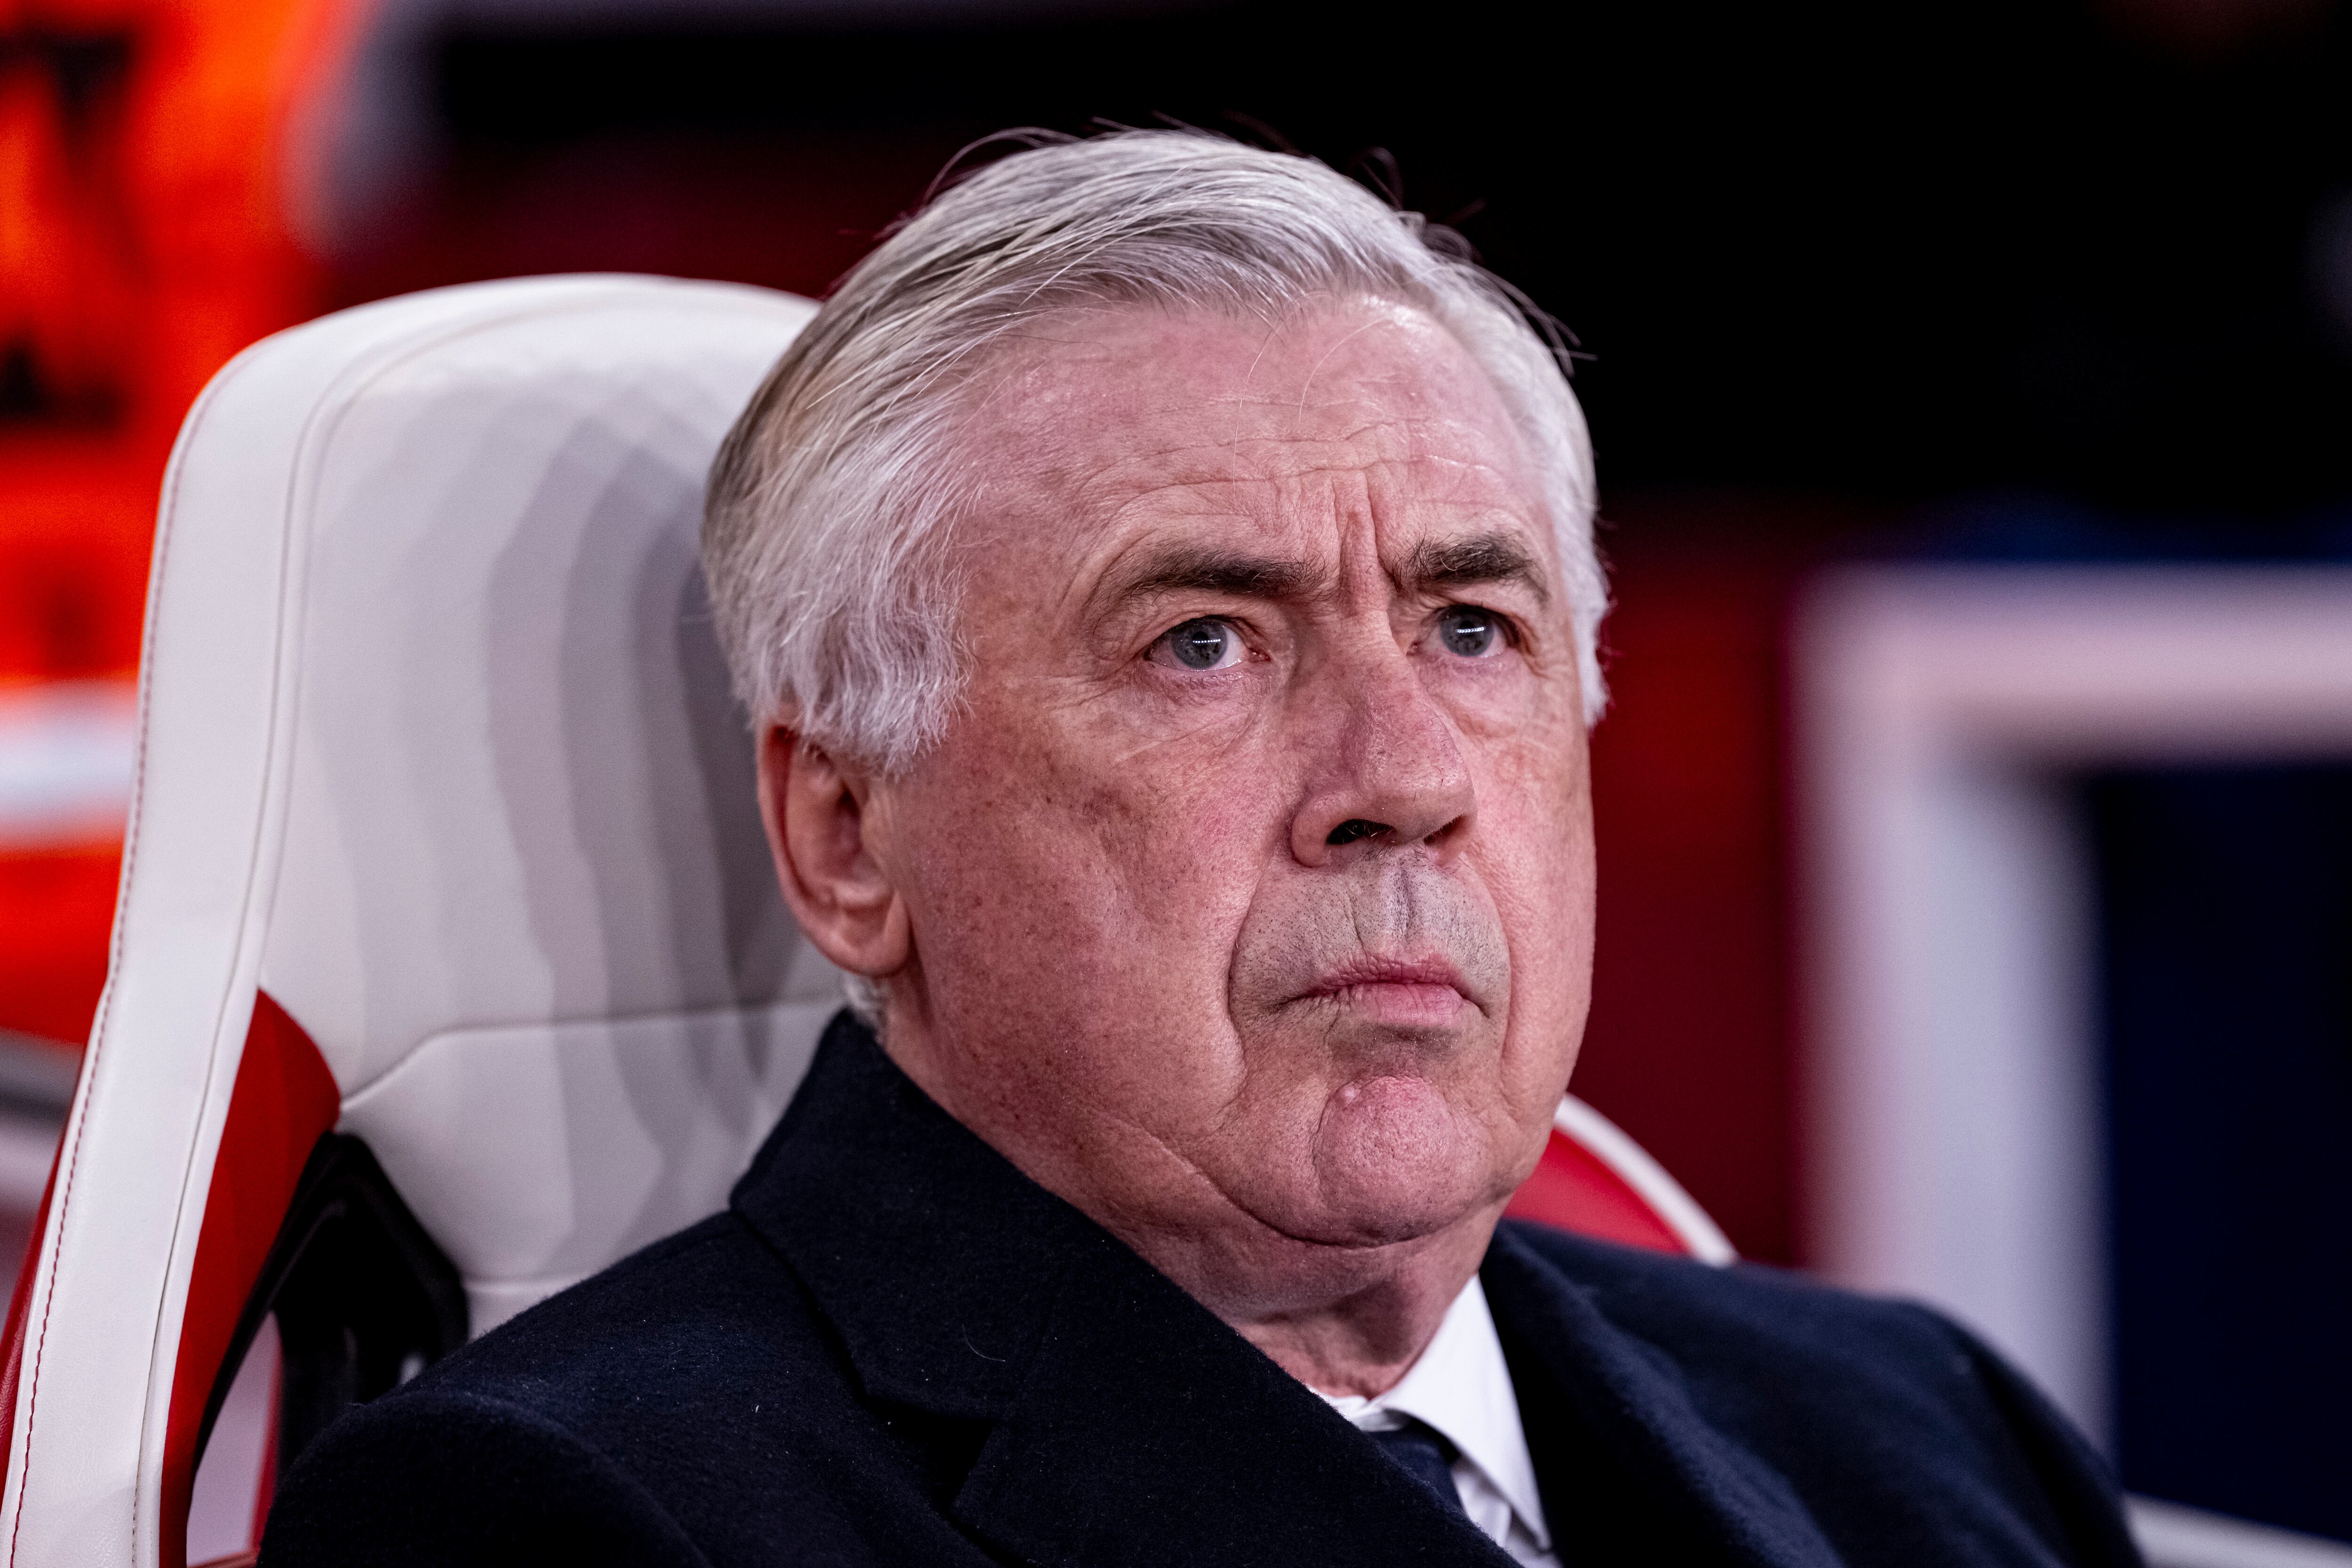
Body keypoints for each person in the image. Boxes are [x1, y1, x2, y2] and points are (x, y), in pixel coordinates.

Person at [262, 132, 2141, 1568]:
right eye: (1201, 643)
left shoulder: (1922, 1425)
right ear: (846, 836)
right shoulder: (570, 1523)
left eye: (1468, 626)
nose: (1401, 775)